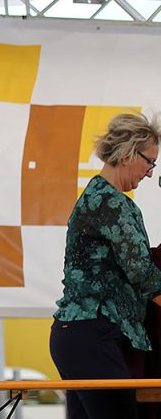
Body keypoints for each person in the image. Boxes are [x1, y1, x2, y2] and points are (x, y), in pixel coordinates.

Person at [50, 112, 161, 419]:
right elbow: (144, 276)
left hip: (78, 336)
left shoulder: (100, 198)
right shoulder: (110, 203)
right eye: (150, 162)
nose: (150, 173)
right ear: (128, 154)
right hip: (92, 334)